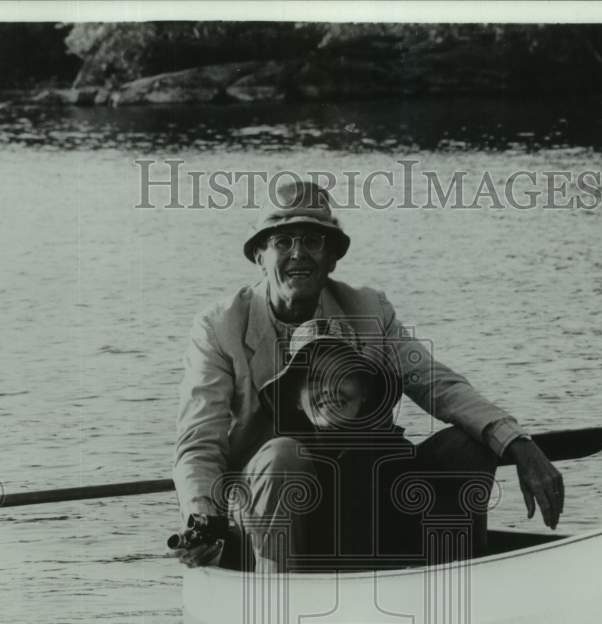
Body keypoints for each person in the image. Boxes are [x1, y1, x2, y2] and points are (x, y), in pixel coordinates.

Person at [173, 179, 563, 570]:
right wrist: (203, 517)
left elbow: (437, 384)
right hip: (266, 499)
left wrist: (516, 443)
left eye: (312, 240)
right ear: (260, 254)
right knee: (283, 456)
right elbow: (199, 442)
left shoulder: (369, 308)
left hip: (358, 483)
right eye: (283, 241)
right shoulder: (219, 326)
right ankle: (277, 601)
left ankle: (461, 582)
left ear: (332, 258)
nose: (298, 255)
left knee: (467, 446)